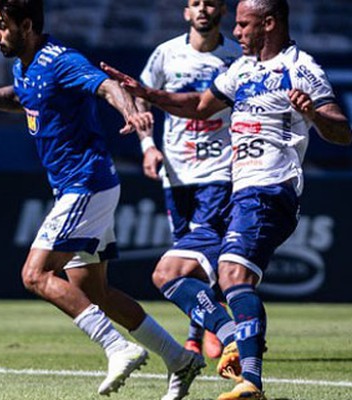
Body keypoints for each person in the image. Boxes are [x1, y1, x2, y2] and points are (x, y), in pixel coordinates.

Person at [0, 1, 205, 398]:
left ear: (26, 25)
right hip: (82, 187)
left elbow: (107, 85)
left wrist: (131, 112)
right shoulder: (24, 63)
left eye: (1, 26)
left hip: (86, 184)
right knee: (95, 293)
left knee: (35, 275)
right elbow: (23, 97)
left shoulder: (61, 59)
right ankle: (180, 359)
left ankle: (117, 347)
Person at [102, 0, 352, 398]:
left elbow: (342, 130)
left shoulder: (302, 68)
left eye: (243, 25)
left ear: (268, 24)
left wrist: (317, 116)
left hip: (271, 191)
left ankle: (250, 379)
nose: (236, 32)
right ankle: (233, 335)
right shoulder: (242, 68)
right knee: (168, 272)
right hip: (239, 194)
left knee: (234, 276)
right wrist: (147, 92)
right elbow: (199, 105)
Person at [135, 0, 241, 361]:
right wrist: (148, 145)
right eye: (195, 3)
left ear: (222, 11)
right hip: (177, 172)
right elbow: (140, 100)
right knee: (183, 253)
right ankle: (205, 329)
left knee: (201, 256)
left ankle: (207, 332)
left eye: (210, 3)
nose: (202, 9)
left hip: (220, 170)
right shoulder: (165, 55)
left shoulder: (236, 56)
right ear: (185, 12)